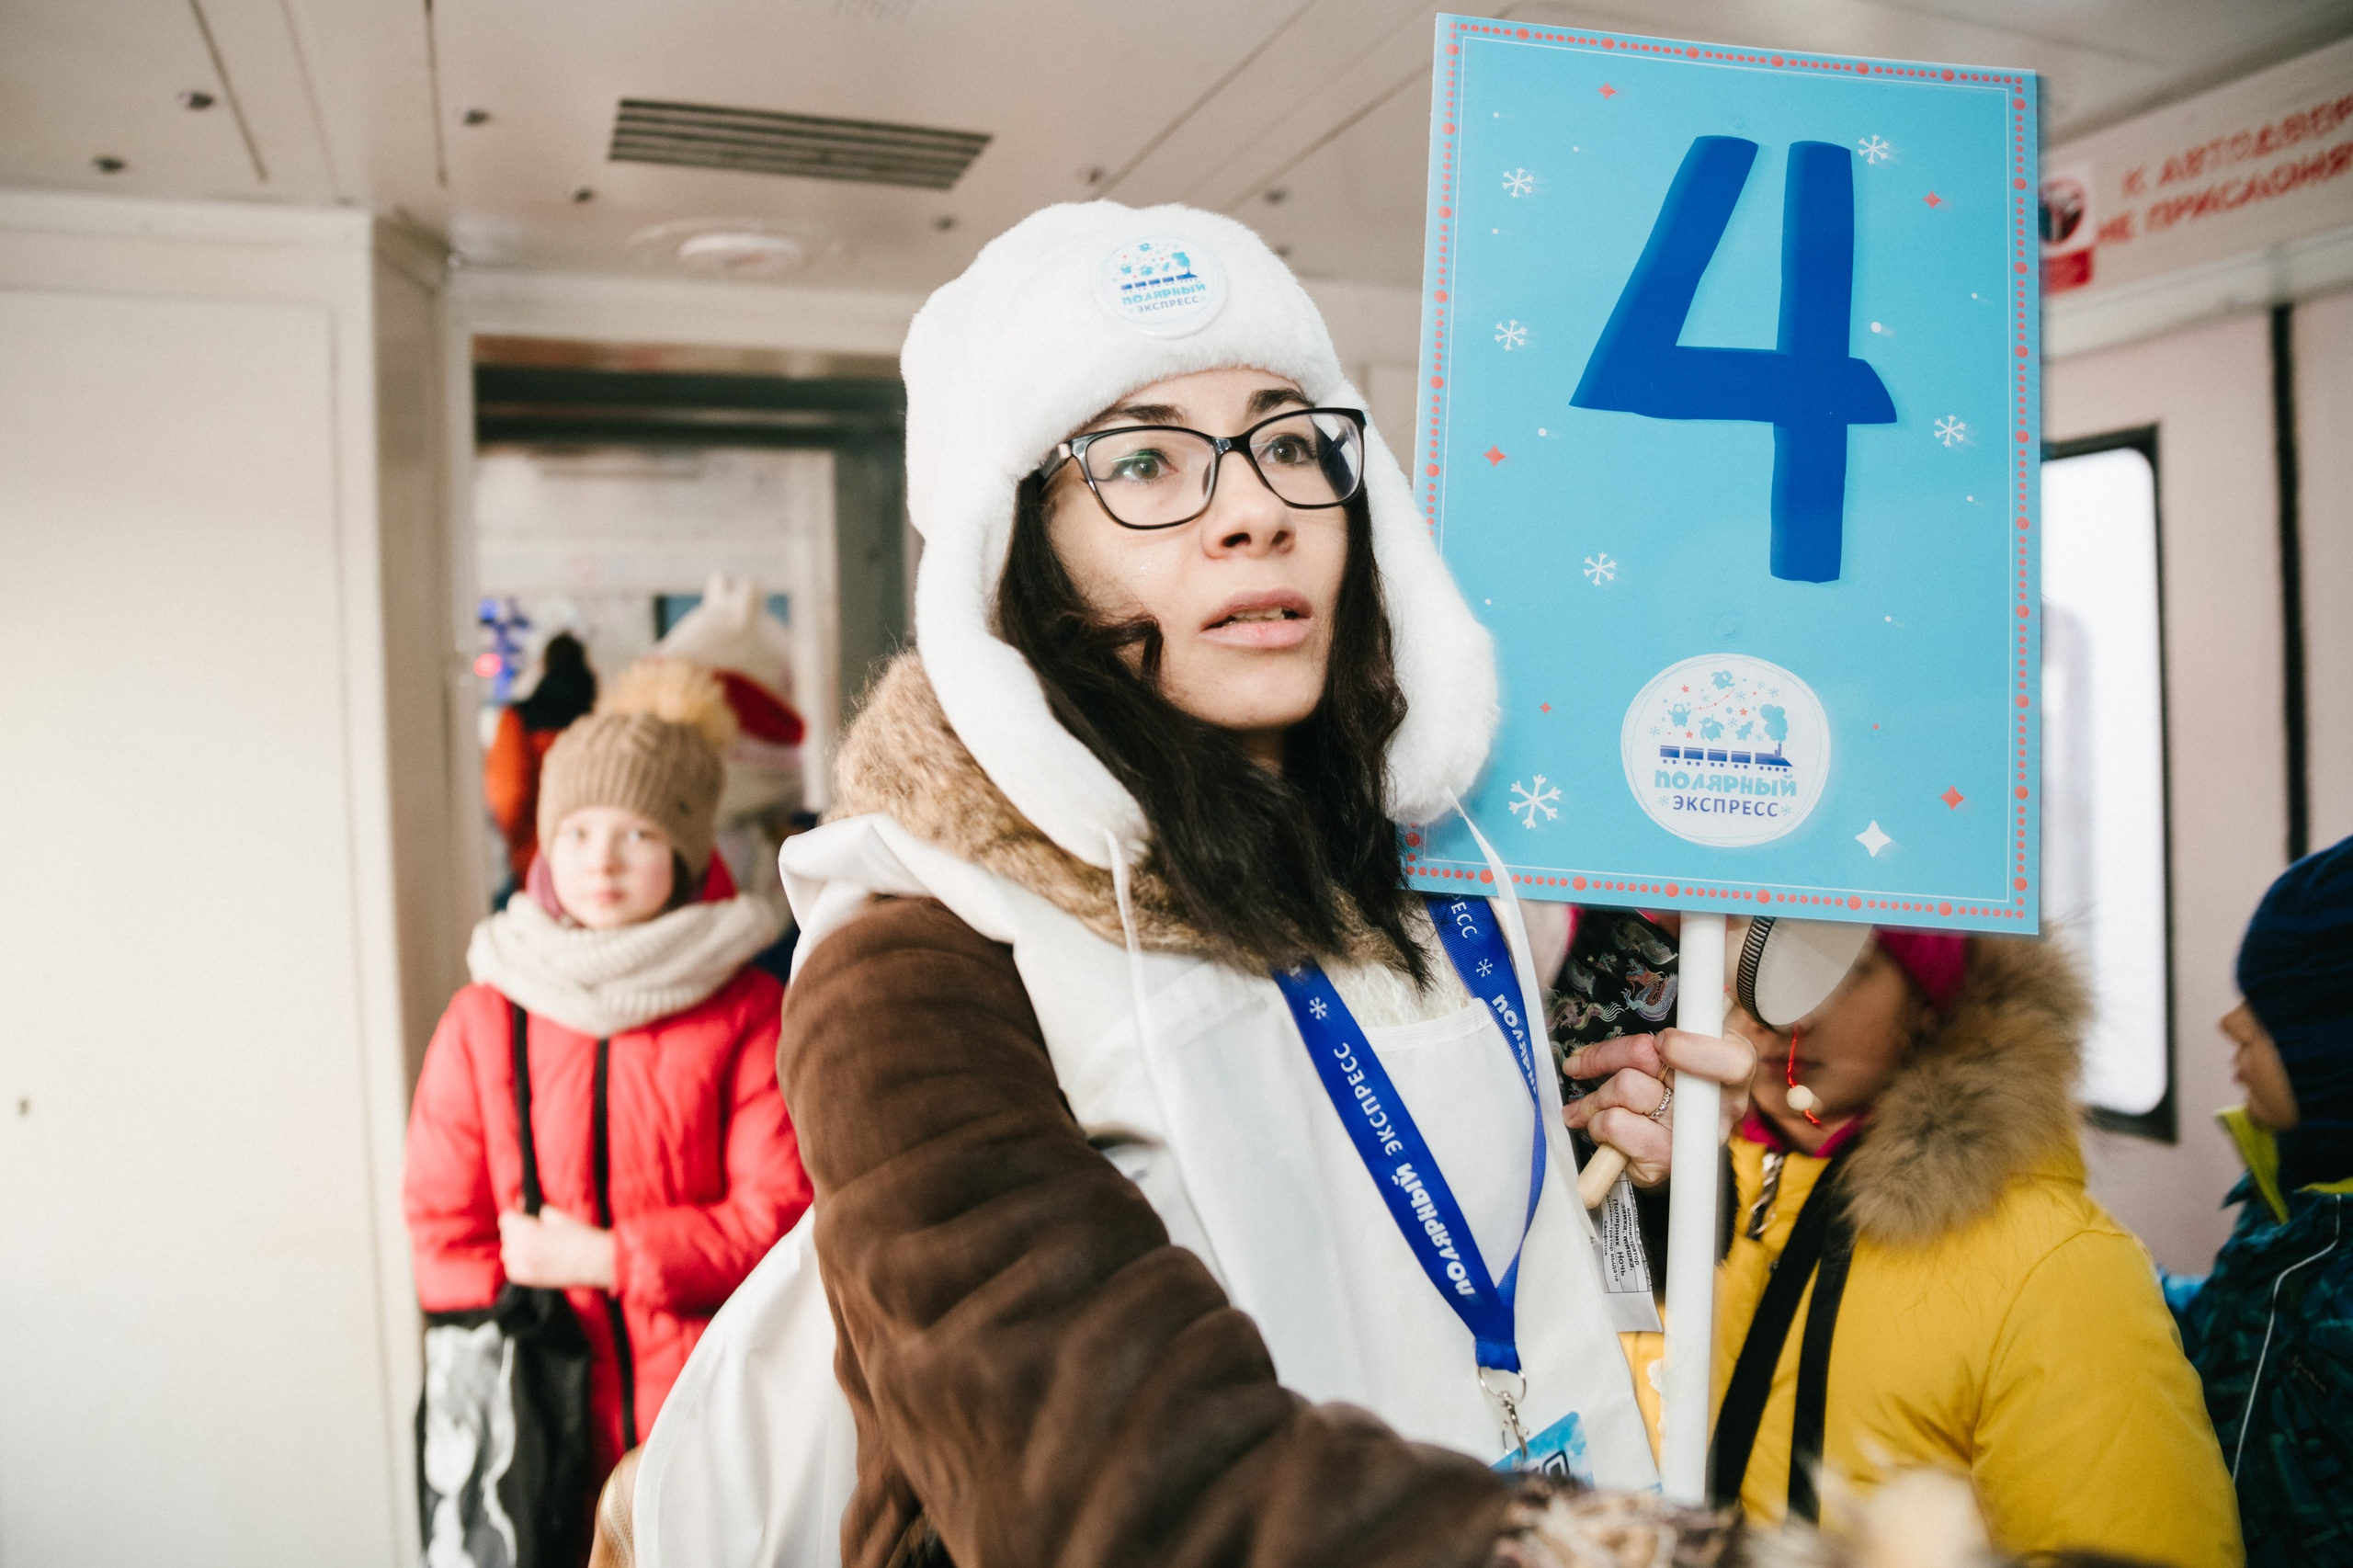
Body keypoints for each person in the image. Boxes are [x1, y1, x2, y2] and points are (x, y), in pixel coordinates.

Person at [630, 201, 1756, 1568]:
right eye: (1146, 464)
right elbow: (1101, 1478)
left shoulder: (1427, 894)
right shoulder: (917, 964)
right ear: (1019, 557)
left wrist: (1612, 1191)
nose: (1253, 513)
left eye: (1289, 443)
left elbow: (1451, 1299)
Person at [1676, 922, 2240, 1562]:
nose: (1775, 1013)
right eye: (1749, 961)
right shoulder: (1672, 1197)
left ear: (1930, 998)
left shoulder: (2058, 1270)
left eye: (1840, 964)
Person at [405, 657, 813, 1503]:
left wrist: (605, 1258)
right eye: (579, 832)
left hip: (714, 1422)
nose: (603, 861)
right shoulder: (488, 1016)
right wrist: (523, 1293)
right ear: (546, 846)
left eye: (638, 833)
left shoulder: (747, 1012)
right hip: (541, 1437)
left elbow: (782, 1222)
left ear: (686, 850)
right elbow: (442, 1232)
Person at [2171, 835, 2353, 1565]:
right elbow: (2232, 1328)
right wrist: (2115, 1282)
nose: (2233, 1023)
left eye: (2273, 1010)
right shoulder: (2293, 1196)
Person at [485, 631, 599, 892]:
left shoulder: (518, 719)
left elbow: (508, 797)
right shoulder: (595, 721)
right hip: (589, 851)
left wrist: (514, 836)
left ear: (545, 665)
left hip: (533, 853)